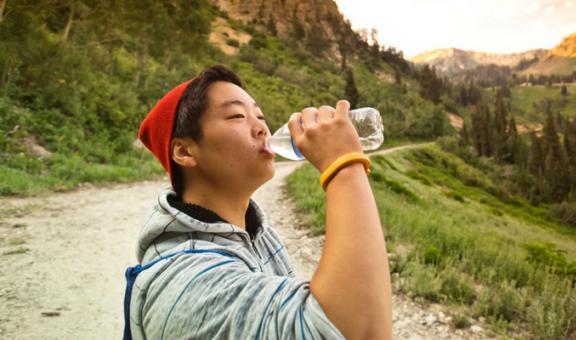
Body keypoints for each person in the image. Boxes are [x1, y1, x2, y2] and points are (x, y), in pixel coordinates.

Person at [123, 65, 392, 339]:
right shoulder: (186, 285)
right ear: (184, 150)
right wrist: (343, 166)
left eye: (260, 115)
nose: (262, 127)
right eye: (237, 115)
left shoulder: (255, 231)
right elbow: (354, 331)